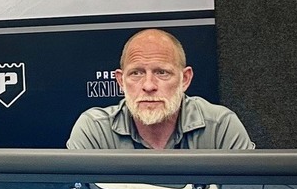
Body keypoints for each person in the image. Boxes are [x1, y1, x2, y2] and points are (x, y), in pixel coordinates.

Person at [66, 28, 254, 150]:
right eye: (136, 73)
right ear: (121, 81)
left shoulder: (221, 127)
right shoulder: (94, 130)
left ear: (185, 79)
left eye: (162, 72)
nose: (148, 86)